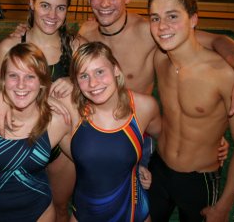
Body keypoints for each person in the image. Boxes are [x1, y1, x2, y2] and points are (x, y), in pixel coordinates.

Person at [79, 0, 234, 132]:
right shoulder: (86, 34)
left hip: (138, 129)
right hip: (97, 126)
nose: (104, 3)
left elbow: (218, 40)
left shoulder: (150, 31)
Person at [147, 0, 234, 221]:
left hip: (200, 180)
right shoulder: (159, 58)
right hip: (159, 168)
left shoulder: (224, 75)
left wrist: (225, 205)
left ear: (193, 20)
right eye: (155, 18)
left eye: (172, 16)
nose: (162, 26)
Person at [0, 0, 87, 221]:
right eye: (45, 5)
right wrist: (42, 97)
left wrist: (74, 82)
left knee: (60, 208)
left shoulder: (76, 47)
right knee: (21, 211)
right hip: (23, 143)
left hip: (62, 149)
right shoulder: (10, 47)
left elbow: (97, 95)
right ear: (31, 3)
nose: (52, 15)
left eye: (60, 7)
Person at [0, 43, 73, 221]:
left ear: (41, 82)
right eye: (13, 76)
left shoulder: (56, 121)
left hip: (40, 215)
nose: (21, 85)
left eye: (30, 76)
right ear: (3, 80)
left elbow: (87, 160)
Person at [63, 41, 161, 221]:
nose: (93, 83)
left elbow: (166, 138)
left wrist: (142, 163)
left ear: (116, 69)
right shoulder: (72, 109)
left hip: (134, 213)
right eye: (83, 76)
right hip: (84, 214)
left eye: (100, 71)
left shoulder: (143, 107)